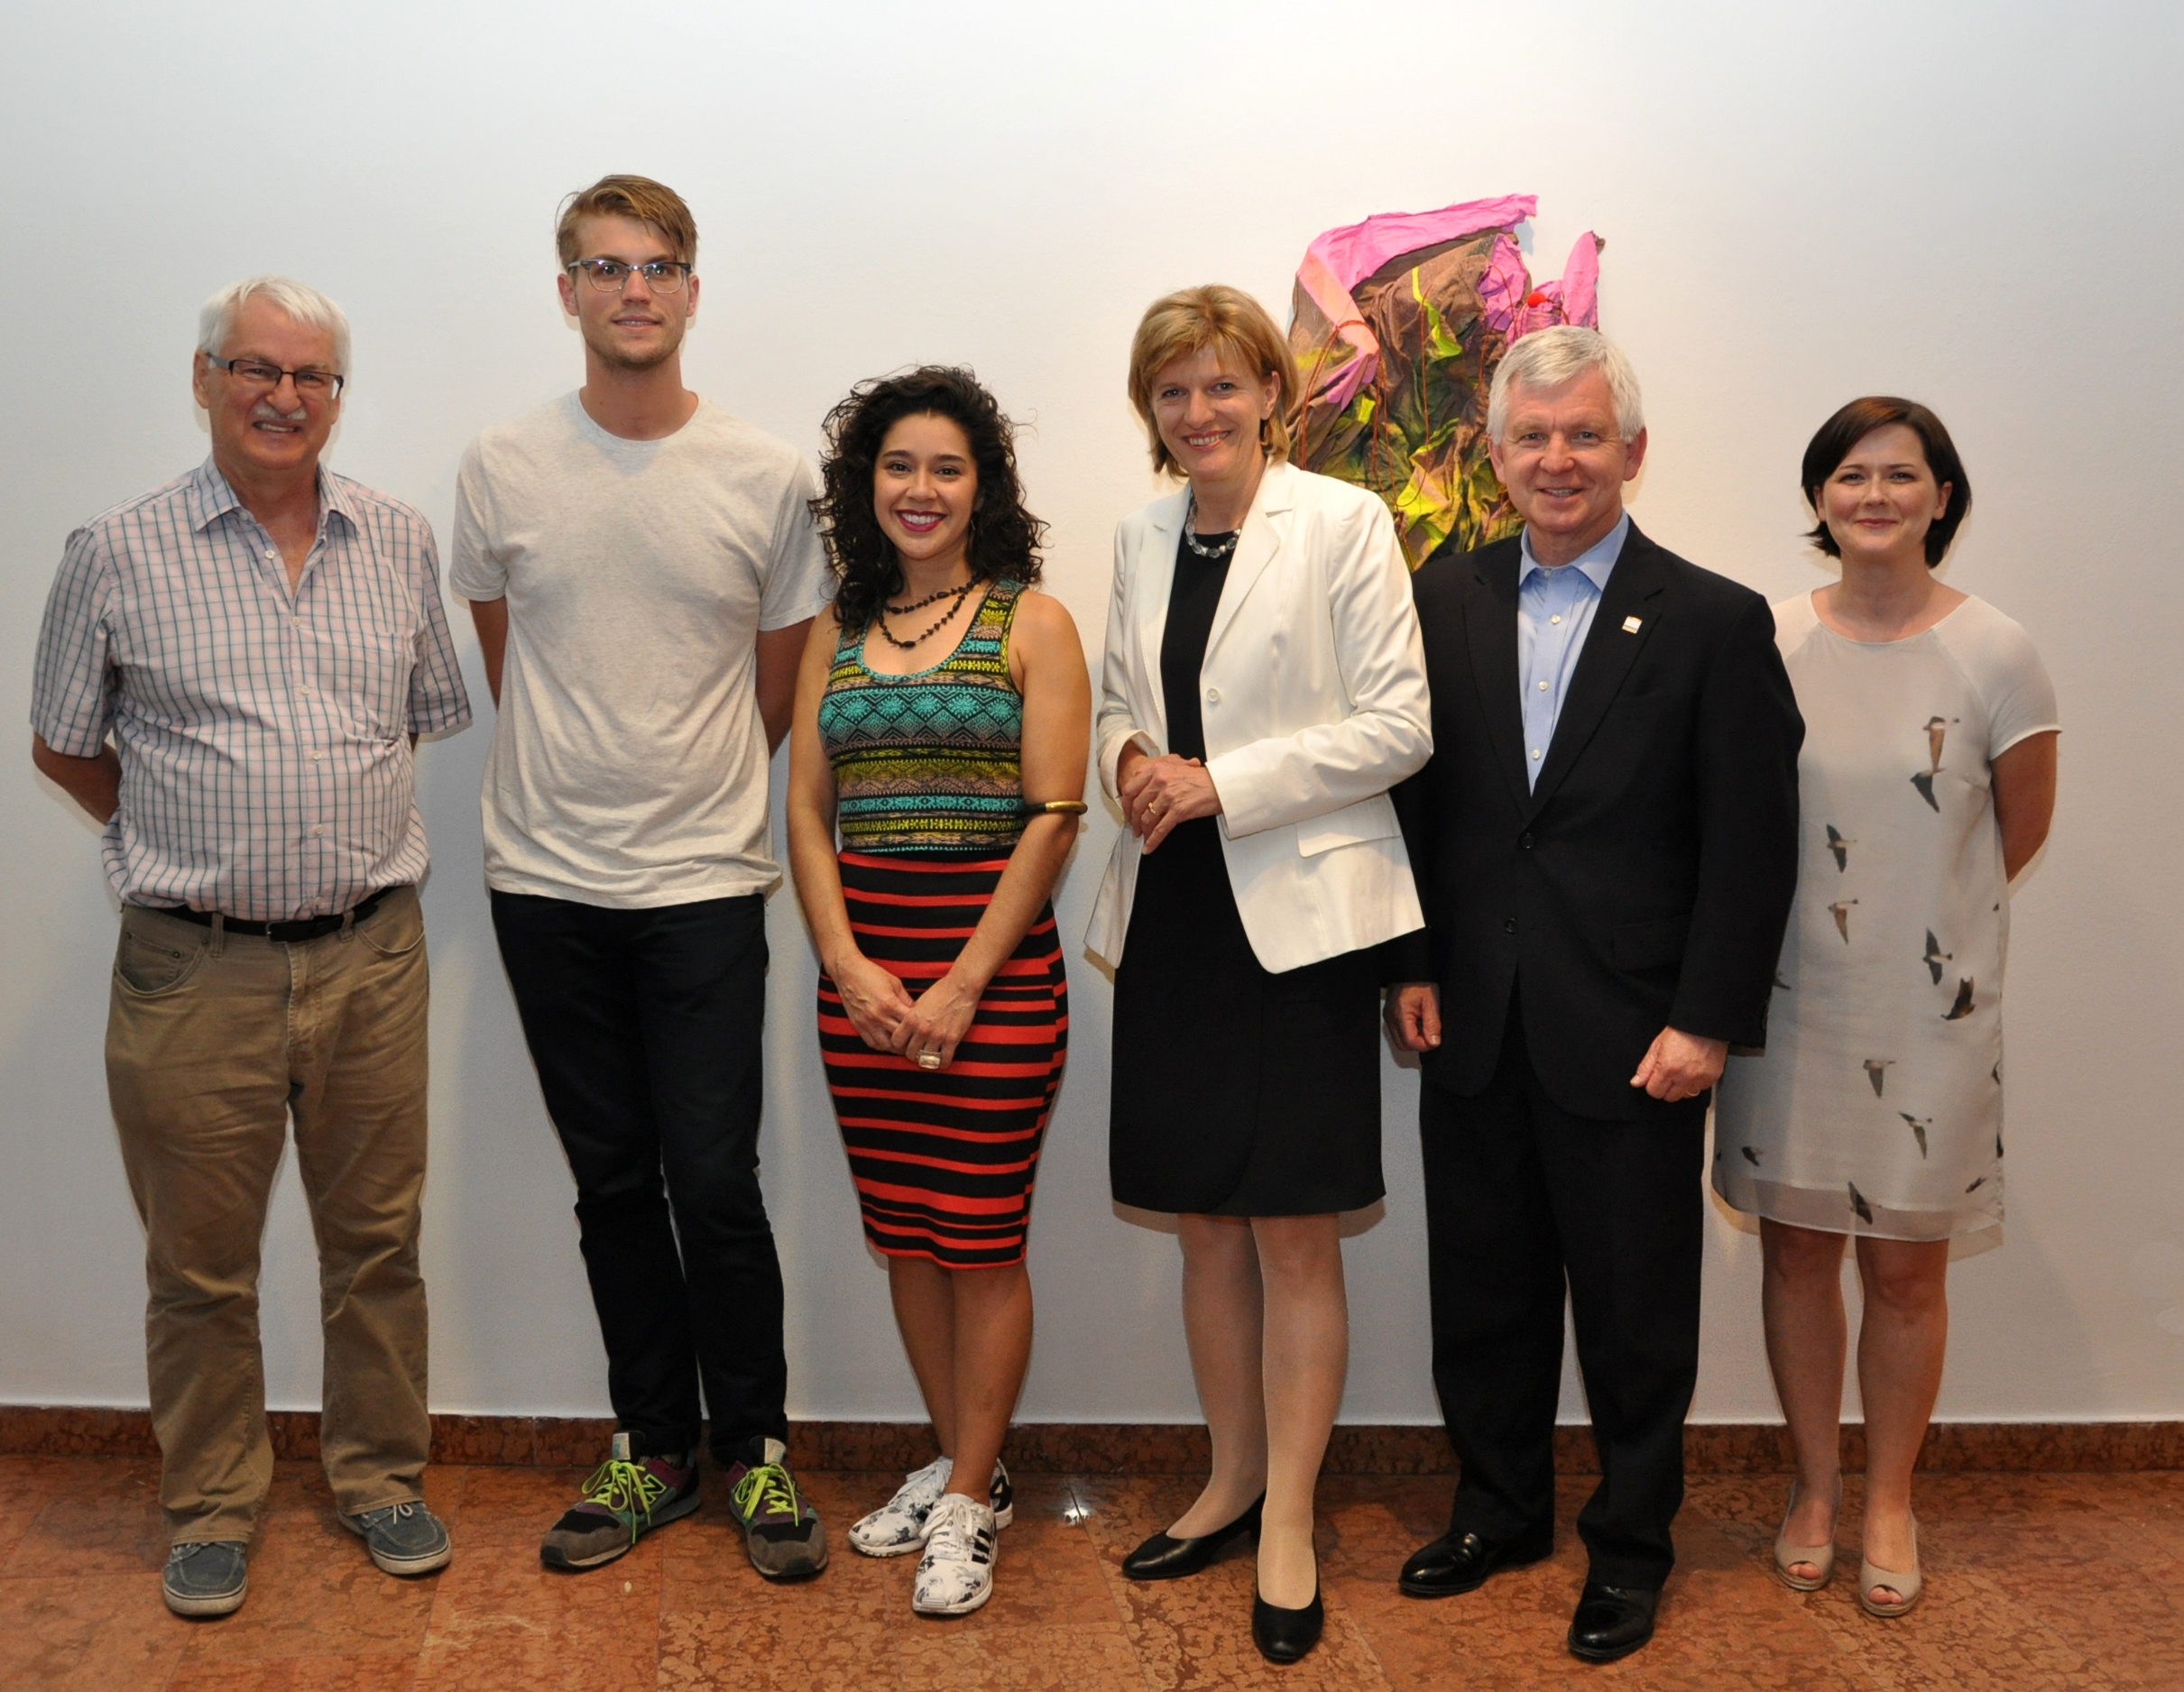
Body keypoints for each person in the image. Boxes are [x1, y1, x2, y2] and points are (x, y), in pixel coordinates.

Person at [28, 277, 472, 1618]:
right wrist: (189, 837)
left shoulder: (396, 540)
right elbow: (64, 744)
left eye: (311, 375)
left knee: (378, 1246)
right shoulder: (116, 549)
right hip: (192, 969)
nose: (284, 397)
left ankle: (381, 1479)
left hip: (371, 957)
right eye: (256, 369)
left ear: (338, 394)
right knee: (199, 1267)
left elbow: (418, 716)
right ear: (204, 378)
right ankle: (213, 1508)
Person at [1387, 326, 1802, 1663]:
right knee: (1483, 1294)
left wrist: (1707, 1019)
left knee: (1634, 1316)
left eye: (1583, 435)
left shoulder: (1715, 620)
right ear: (1495, 454)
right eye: (1532, 436)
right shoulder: (1438, 599)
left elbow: (1751, 845)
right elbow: (1414, 807)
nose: (1556, 459)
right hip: (1471, 1016)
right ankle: (1498, 1511)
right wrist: (1410, 962)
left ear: (1632, 450)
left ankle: (1629, 1547)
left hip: (1635, 1031)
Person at [448, 175, 832, 1579]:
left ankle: (759, 1452)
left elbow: (775, 689)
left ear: (690, 289)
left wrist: (681, 789)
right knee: (612, 1183)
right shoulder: (501, 466)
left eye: (658, 265)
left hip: (705, 883)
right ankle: (654, 1449)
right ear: (567, 293)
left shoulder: (764, 476)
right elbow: (510, 657)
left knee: (713, 1181)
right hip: (543, 882)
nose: (633, 289)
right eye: (605, 267)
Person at [1088, 285, 1433, 1664]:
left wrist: (1220, 780)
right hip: (1172, 911)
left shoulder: (1341, 523)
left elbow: (1398, 725)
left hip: (1297, 924)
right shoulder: (1138, 533)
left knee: (1292, 1230)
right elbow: (1119, 698)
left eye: (1222, 384)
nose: (1199, 411)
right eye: (1173, 390)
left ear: (1271, 396)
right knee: (1200, 1223)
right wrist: (1127, 756)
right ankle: (1228, 1479)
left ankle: (1289, 1514)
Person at [1713, 399, 2058, 1618]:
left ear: (1940, 497)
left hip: (1928, 1015)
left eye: (1901, 475)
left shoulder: (1997, 651)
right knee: (1798, 1256)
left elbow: (2014, 832)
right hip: (1786, 1002)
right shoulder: (1763, 640)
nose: (1874, 495)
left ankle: (1889, 1500)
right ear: (1819, 497)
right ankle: (1813, 1489)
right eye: (1850, 475)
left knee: (1908, 1272)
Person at [787, 366, 1089, 1617]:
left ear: (983, 488)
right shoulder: (834, 629)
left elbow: (1055, 815)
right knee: (906, 1232)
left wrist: (962, 983)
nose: (921, 489)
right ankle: (967, 1460)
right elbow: (806, 813)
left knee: (980, 1235)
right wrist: (848, 966)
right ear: (866, 485)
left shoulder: (1032, 622)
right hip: (864, 986)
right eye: (899, 465)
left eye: (947, 468)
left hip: (993, 983)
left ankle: (967, 1496)